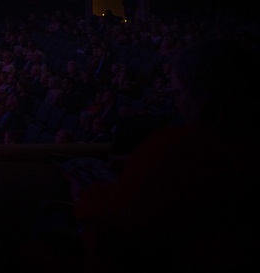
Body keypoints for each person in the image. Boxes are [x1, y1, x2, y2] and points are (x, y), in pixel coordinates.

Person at [67, 33, 260, 271]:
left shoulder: (179, 146)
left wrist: (83, 193)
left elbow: (116, 215)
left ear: (201, 94)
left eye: (178, 93)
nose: (177, 103)